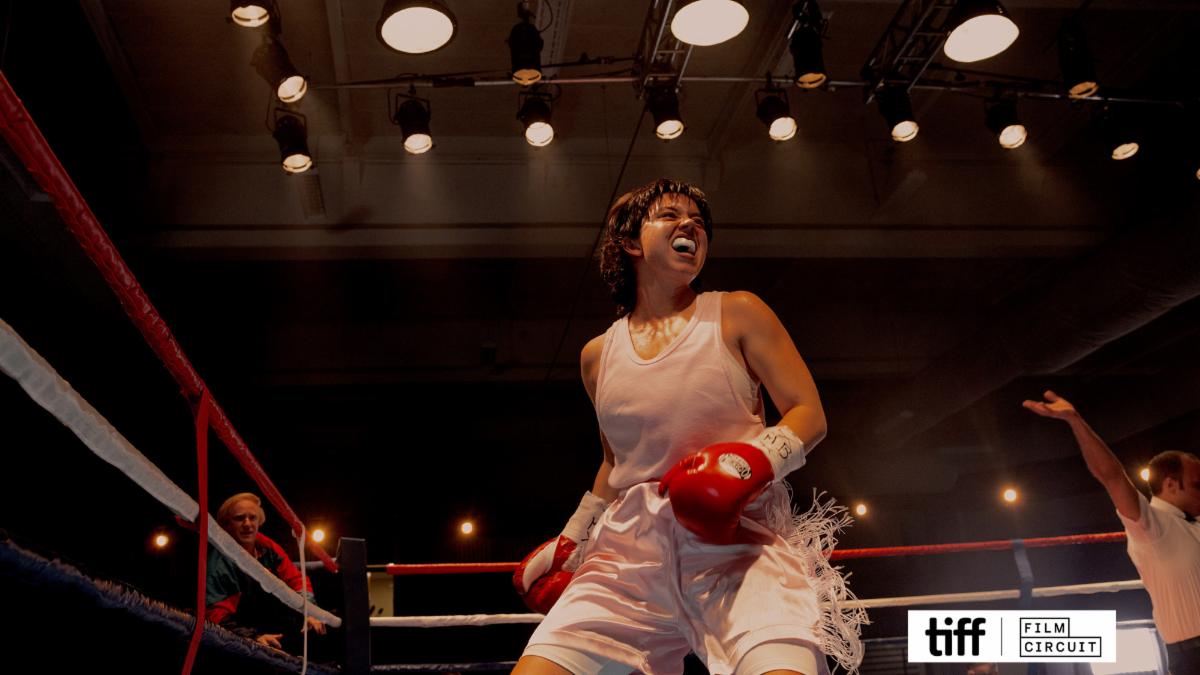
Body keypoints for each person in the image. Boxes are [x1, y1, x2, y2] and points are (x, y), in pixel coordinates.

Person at [512, 179, 863, 675]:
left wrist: (747, 464)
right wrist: (575, 539)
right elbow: (615, 462)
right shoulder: (597, 355)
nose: (690, 226)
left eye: (699, 222)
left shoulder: (737, 312)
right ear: (631, 242)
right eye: (670, 215)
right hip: (628, 559)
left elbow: (808, 412)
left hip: (738, 545)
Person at [1023, 391, 1200, 674]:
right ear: (1170, 484)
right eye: (1197, 484)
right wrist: (1075, 420)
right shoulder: (1152, 525)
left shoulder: (1194, 524)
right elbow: (1111, 476)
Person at [206, 492, 327, 651]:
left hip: (274, 626)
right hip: (241, 638)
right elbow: (216, 615)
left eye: (252, 518)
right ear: (227, 525)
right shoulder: (219, 564)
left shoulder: (267, 546)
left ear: (259, 521)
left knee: (322, 628)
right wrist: (253, 638)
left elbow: (296, 580)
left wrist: (310, 611)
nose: (247, 524)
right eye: (240, 518)